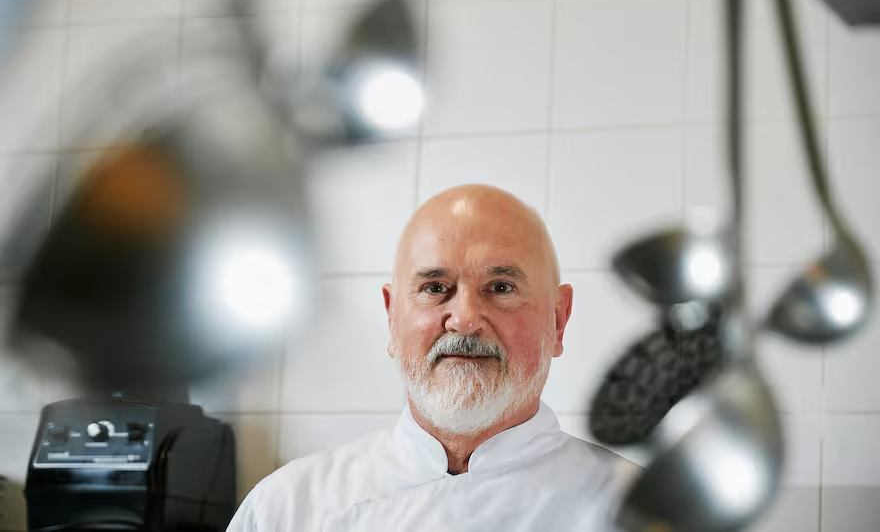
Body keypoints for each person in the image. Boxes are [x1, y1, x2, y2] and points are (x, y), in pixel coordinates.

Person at [227, 184, 639, 531]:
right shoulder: (286, 509)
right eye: (435, 288)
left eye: (500, 287)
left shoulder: (638, 511)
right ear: (392, 317)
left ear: (558, 321)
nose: (464, 319)